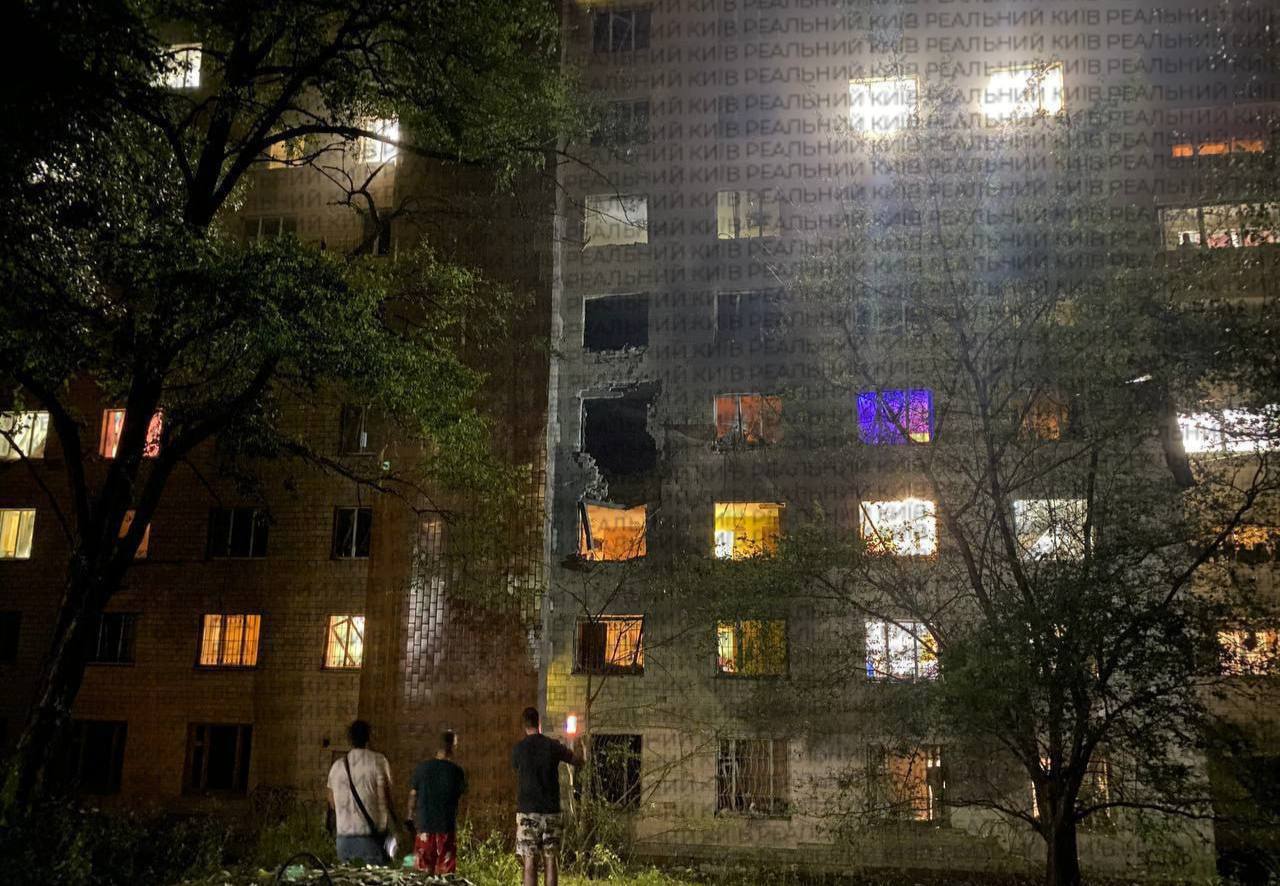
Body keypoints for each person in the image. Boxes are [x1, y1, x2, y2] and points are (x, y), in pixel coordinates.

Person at [511, 706, 583, 886]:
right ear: (539, 724)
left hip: (528, 812)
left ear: (524, 726)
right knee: (551, 860)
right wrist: (578, 743)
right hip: (551, 812)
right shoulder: (552, 746)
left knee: (529, 860)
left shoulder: (519, 749)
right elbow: (577, 761)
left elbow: (516, 767)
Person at [326, 720, 397, 866]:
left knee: (345, 877)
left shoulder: (337, 766)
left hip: (343, 839)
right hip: (370, 839)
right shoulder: (378, 761)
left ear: (350, 739)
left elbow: (331, 802)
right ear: (369, 737)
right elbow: (386, 797)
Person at [408, 730, 467, 875]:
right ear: (453, 747)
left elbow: (413, 796)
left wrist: (409, 817)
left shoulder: (422, 769)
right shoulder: (456, 772)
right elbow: (463, 799)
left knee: (422, 876)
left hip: (424, 828)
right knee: (445, 876)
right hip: (446, 829)